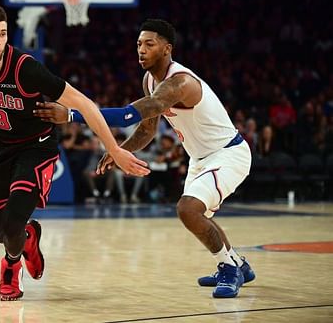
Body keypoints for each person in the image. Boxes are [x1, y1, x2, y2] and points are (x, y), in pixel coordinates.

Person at [0, 3, 149, 301]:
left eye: (2, 34)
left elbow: (84, 103)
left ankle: (10, 268)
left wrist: (114, 148)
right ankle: (27, 239)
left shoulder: (25, 68)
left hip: (35, 148)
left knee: (13, 219)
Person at [33, 19, 255, 298]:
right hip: (201, 158)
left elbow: (129, 115)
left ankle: (229, 268)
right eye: (139, 44)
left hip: (228, 153)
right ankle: (237, 263)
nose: (141, 49)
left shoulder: (181, 83)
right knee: (200, 214)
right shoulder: (150, 80)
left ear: (167, 48)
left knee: (188, 210)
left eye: (149, 44)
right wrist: (121, 149)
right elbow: (147, 128)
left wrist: (71, 115)